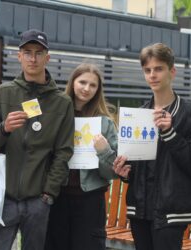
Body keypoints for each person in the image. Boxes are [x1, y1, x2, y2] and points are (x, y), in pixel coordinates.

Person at [112, 43, 191, 250]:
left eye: (158, 69)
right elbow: (138, 167)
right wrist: (125, 173)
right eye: (147, 70)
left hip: (171, 212)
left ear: (172, 71)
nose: (152, 75)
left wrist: (170, 134)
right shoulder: (139, 115)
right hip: (140, 208)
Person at [0, 29, 74, 250]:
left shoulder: (62, 103)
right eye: (27, 52)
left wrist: (48, 193)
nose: (32, 58)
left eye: (38, 53)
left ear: (47, 58)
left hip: (38, 200)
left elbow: (64, 151)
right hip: (2, 197)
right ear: (19, 56)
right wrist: (4, 129)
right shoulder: (2, 94)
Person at [45, 63, 118, 250]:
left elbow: (112, 173)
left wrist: (104, 151)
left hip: (90, 200)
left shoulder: (105, 123)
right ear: (72, 82)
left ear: (98, 90)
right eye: (82, 82)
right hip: (57, 197)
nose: (86, 89)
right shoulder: (56, 115)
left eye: (92, 85)